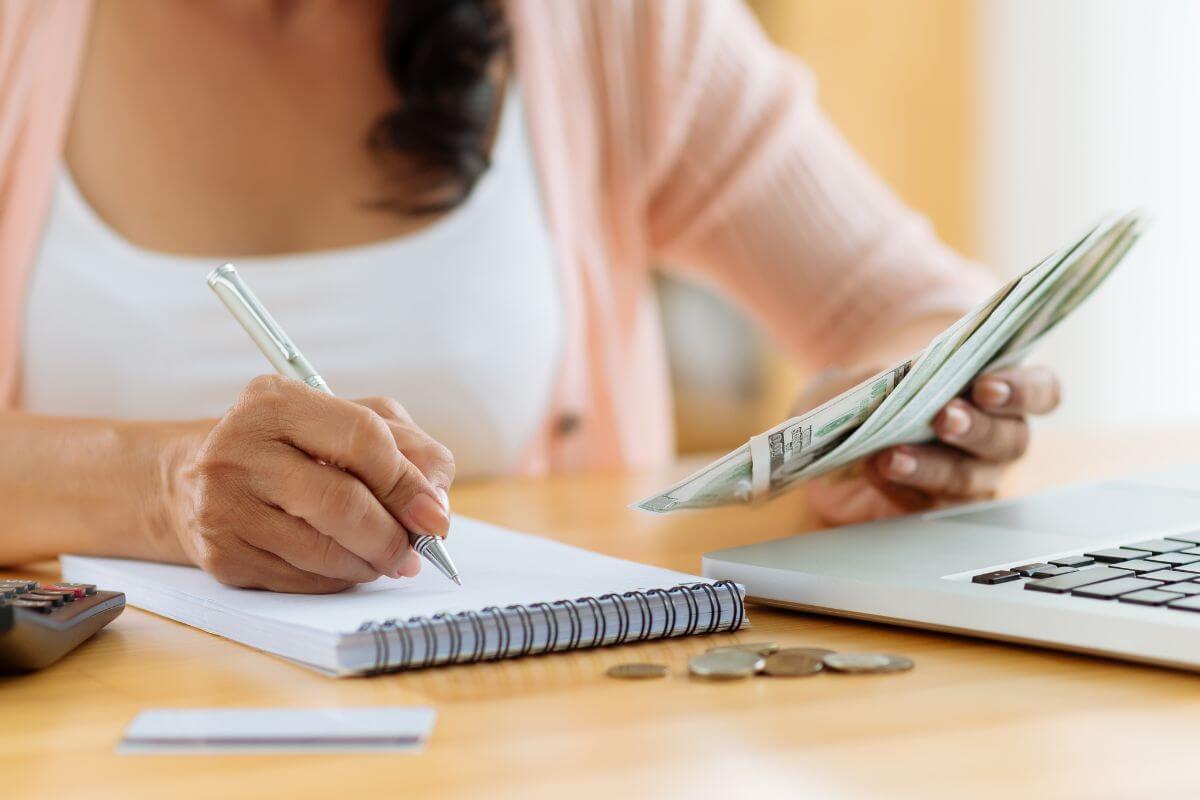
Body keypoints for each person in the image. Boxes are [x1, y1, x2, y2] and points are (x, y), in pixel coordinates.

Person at [0, 0, 1059, 592]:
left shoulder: (610, 25)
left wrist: (906, 419)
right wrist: (165, 484)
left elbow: (914, 307)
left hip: (528, 734)